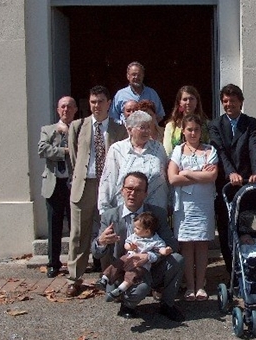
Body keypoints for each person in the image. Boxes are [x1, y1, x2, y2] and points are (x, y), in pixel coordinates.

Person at [91, 171, 185, 322]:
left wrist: (149, 256)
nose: (132, 193)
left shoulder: (157, 214)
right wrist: (101, 242)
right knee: (141, 288)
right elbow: (96, 254)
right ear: (122, 190)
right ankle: (127, 305)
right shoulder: (110, 216)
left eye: (138, 190)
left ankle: (167, 304)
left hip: (149, 267)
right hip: (121, 270)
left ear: (145, 194)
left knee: (177, 259)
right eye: (129, 188)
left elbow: (172, 244)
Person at [65, 85, 128, 297]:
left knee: (109, 233)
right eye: (93, 102)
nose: (96, 106)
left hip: (108, 187)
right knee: (78, 234)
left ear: (109, 104)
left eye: (100, 101)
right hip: (84, 185)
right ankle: (74, 278)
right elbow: (74, 157)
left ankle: (109, 276)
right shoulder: (78, 126)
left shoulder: (119, 129)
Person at [208, 83, 256, 274]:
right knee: (225, 227)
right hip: (225, 184)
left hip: (247, 183)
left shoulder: (252, 124)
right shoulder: (215, 125)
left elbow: (254, 149)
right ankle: (230, 270)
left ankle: (249, 266)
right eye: (225, 101)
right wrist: (230, 173)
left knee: (246, 225)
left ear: (241, 102)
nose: (229, 104)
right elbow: (220, 151)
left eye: (232, 101)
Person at [168, 114, 218, 301]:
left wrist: (186, 172)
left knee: (202, 244)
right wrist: (198, 174)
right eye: (189, 129)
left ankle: (201, 285)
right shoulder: (178, 150)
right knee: (187, 245)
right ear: (183, 131)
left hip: (204, 204)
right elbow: (173, 178)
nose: (193, 133)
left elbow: (211, 177)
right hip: (184, 206)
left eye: (196, 129)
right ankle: (190, 286)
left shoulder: (210, 150)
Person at [98, 110, 169, 215]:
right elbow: (108, 181)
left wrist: (170, 204)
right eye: (142, 127)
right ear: (130, 130)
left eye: (148, 127)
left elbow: (166, 178)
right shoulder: (117, 149)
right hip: (126, 211)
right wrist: (104, 210)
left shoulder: (158, 148)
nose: (146, 131)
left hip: (155, 210)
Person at [38, 95, 78, 278]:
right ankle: (53, 263)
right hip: (54, 183)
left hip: (74, 183)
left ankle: (76, 262)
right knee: (54, 225)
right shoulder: (48, 130)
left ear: (75, 110)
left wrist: (69, 134)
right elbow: (42, 150)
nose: (65, 110)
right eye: (62, 106)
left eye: (69, 107)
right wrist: (64, 150)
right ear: (57, 110)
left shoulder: (80, 129)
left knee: (76, 225)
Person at [96, 211, 172, 302]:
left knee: (133, 274)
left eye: (137, 228)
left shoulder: (155, 240)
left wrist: (165, 250)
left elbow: (160, 249)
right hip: (128, 257)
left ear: (147, 231)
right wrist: (130, 247)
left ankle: (121, 289)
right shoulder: (135, 236)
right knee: (118, 263)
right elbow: (127, 243)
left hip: (141, 264)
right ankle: (105, 278)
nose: (134, 229)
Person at [109, 61, 165, 125]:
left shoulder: (152, 93)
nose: (136, 77)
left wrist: (148, 125)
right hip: (124, 130)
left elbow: (160, 115)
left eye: (139, 75)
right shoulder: (120, 94)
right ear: (128, 76)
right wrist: (123, 125)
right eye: (134, 74)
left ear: (143, 76)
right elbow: (113, 117)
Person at [163, 85, 210, 156]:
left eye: (191, 99)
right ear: (180, 103)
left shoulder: (207, 124)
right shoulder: (171, 126)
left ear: (197, 101)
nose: (188, 102)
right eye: (185, 99)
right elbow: (167, 152)